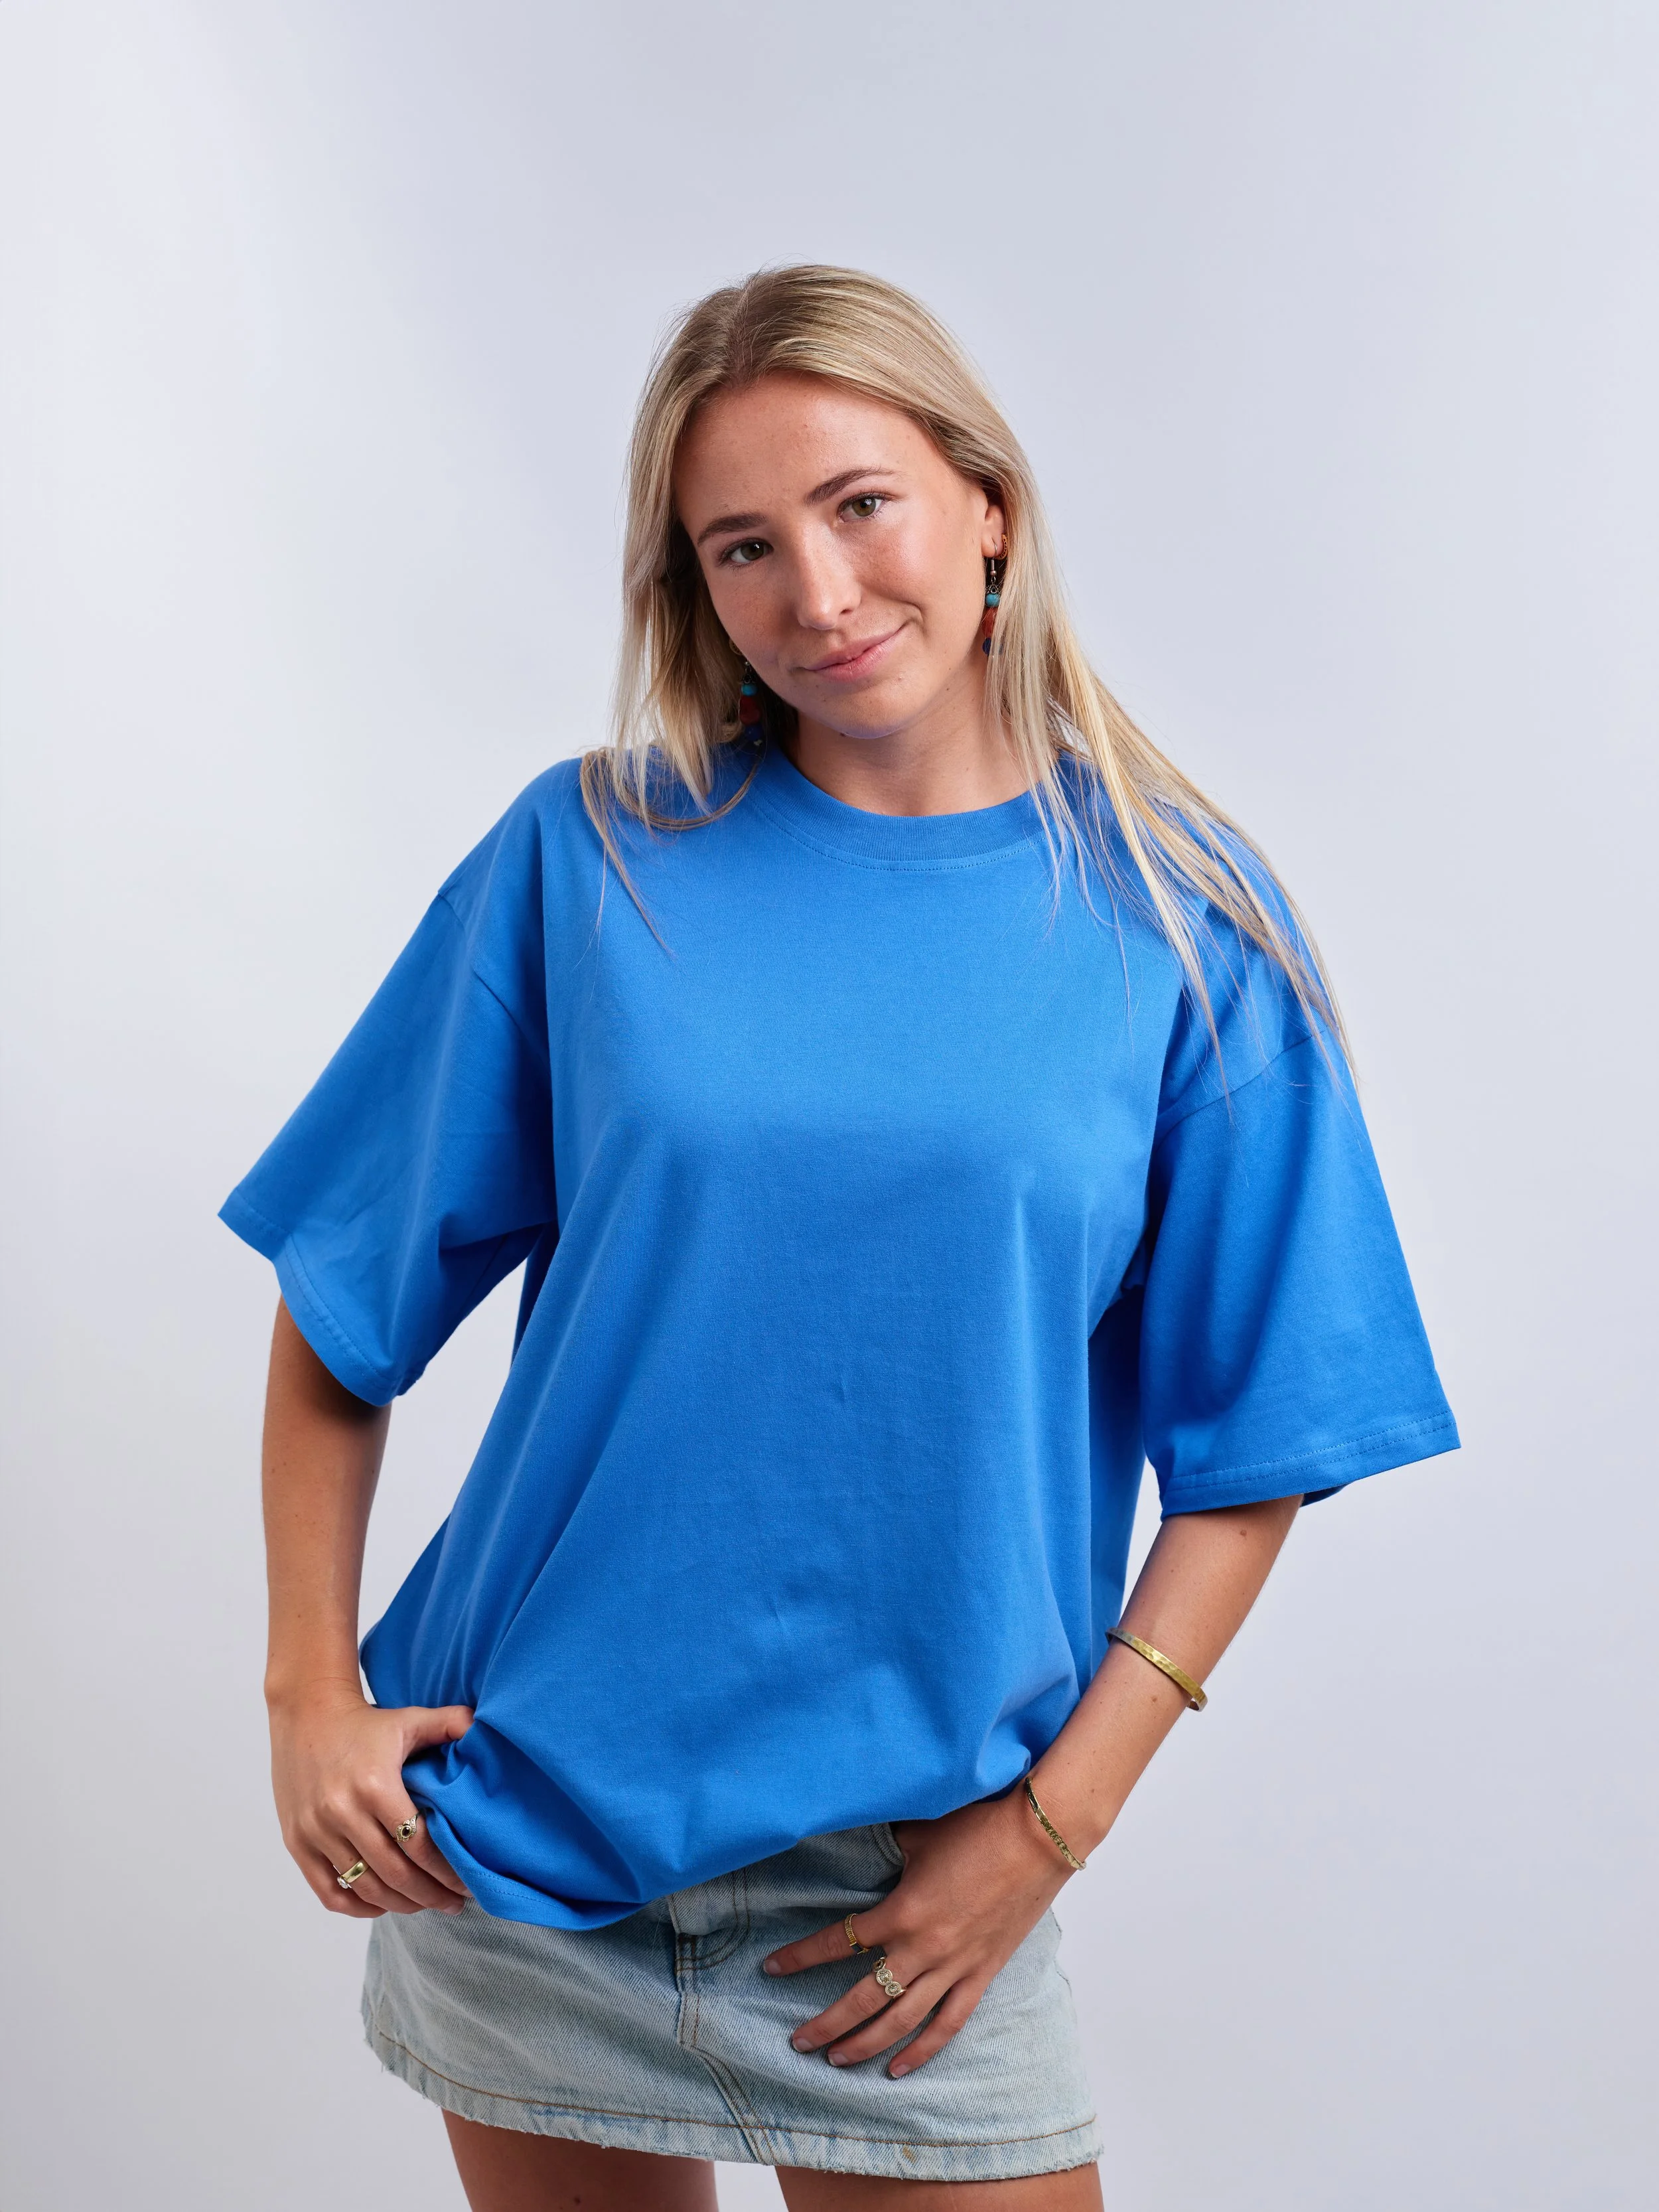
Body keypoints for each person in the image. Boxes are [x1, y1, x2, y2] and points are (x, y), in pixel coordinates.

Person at [224, 265, 1459, 2210]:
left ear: (987, 506)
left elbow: (1257, 1458)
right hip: (526, 1829)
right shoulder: (594, 854)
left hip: (908, 1884)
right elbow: (343, 1297)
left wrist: (1046, 1833)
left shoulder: (1181, 921)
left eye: (859, 503)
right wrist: (307, 1689)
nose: (815, 589)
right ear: (691, 590)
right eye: (741, 544)